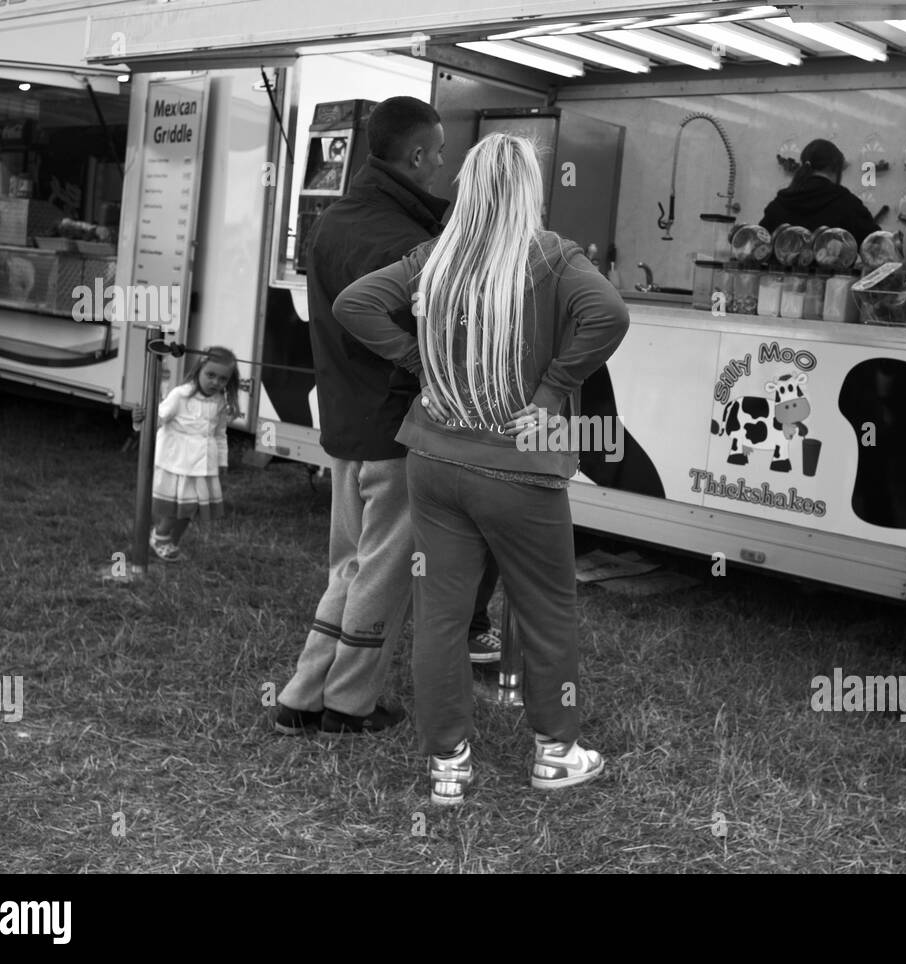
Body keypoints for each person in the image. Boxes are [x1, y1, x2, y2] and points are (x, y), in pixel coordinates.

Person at [338, 132, 630, 805]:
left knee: (439, 615)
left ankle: (449, 766)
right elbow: (608, 315)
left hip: (434, 458)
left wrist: (418, 365)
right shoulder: (553, 257)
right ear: (530, 188)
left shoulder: (433, 257)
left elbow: (354, 303)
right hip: (519, 468)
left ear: (468, 186)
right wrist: (553, 392)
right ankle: (556, 752)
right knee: (549, 609)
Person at [273, 96, 503, 741]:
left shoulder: (338, 219)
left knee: (348, 564)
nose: (445, 162)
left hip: (346, 421)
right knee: (383, 569)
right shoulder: (406, 240)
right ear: (420, 154)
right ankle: (350, 704)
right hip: (396, 428)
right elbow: (425, 332)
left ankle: (301, 695)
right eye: (439, 151)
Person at [133, 346, 240, 563]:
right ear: (199, 370)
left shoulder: (219, 401)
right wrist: (139, 420)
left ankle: (171, 542)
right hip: (177, 462)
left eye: (222, 379)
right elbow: (158, 419)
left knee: (191, 509)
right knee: (176, 508)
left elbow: (220, 434)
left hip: (203, 465)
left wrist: (221, 460)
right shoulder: (180, 395)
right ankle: (160, 537)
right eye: (211, 375)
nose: (216, 382)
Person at [759, 138, 881, 244]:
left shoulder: (780, 203)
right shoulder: (847, 203)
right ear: (835, 168)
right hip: (834, 270)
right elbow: (876, 245)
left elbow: (758, 242)